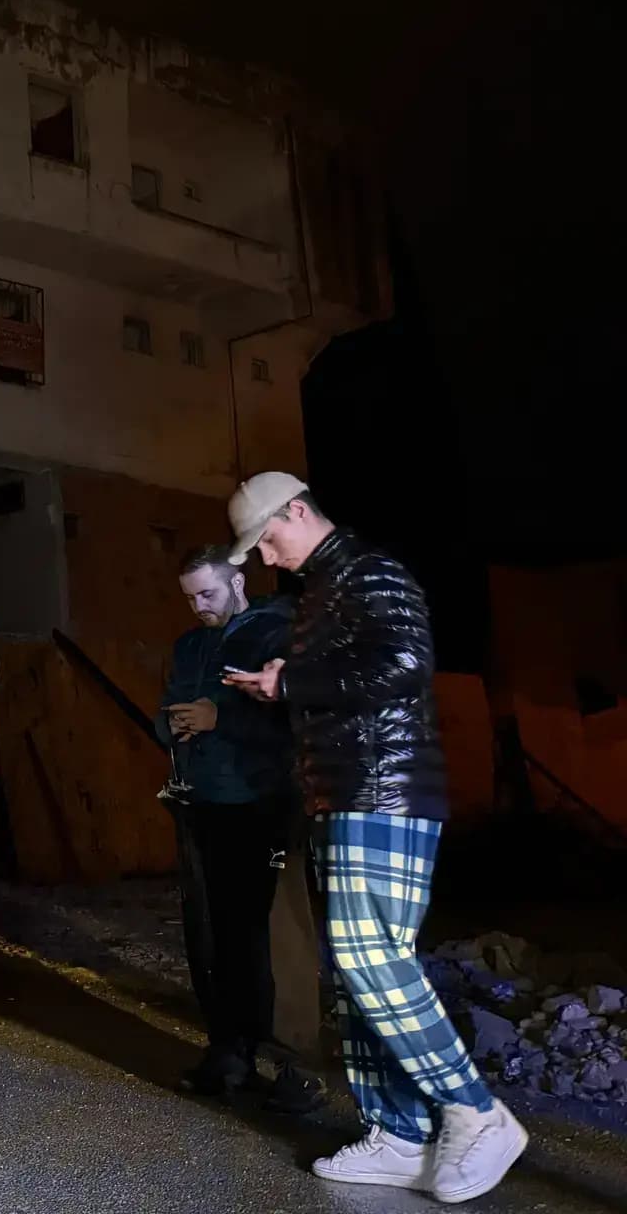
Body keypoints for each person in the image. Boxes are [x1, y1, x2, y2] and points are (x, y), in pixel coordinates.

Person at [223, 473, 527, 1205]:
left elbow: (402, 665)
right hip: (345, 793)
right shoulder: (323, 592)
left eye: (268, 537)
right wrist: (286, 683)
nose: (266, 556)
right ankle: (398, 1134)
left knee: (371, 955)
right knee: (355, 968)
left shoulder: (369, 573)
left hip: (384, 793)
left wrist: (291, 682)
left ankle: (476, 1113)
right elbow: (345, 677)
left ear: (298, 510)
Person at [155, 547, 320, 1111]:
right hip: (204, 806)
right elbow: (168, 709)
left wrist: (219, 718)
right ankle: (229, 1053)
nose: (199, 606)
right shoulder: (191, 646)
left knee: (277, 936)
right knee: (216, 936)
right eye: (190, 598)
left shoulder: (275, 635)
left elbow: (297, 721)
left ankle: (296, 1067)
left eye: (208, 593)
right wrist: (172, 725)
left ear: (238, 582)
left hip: (265, 806)